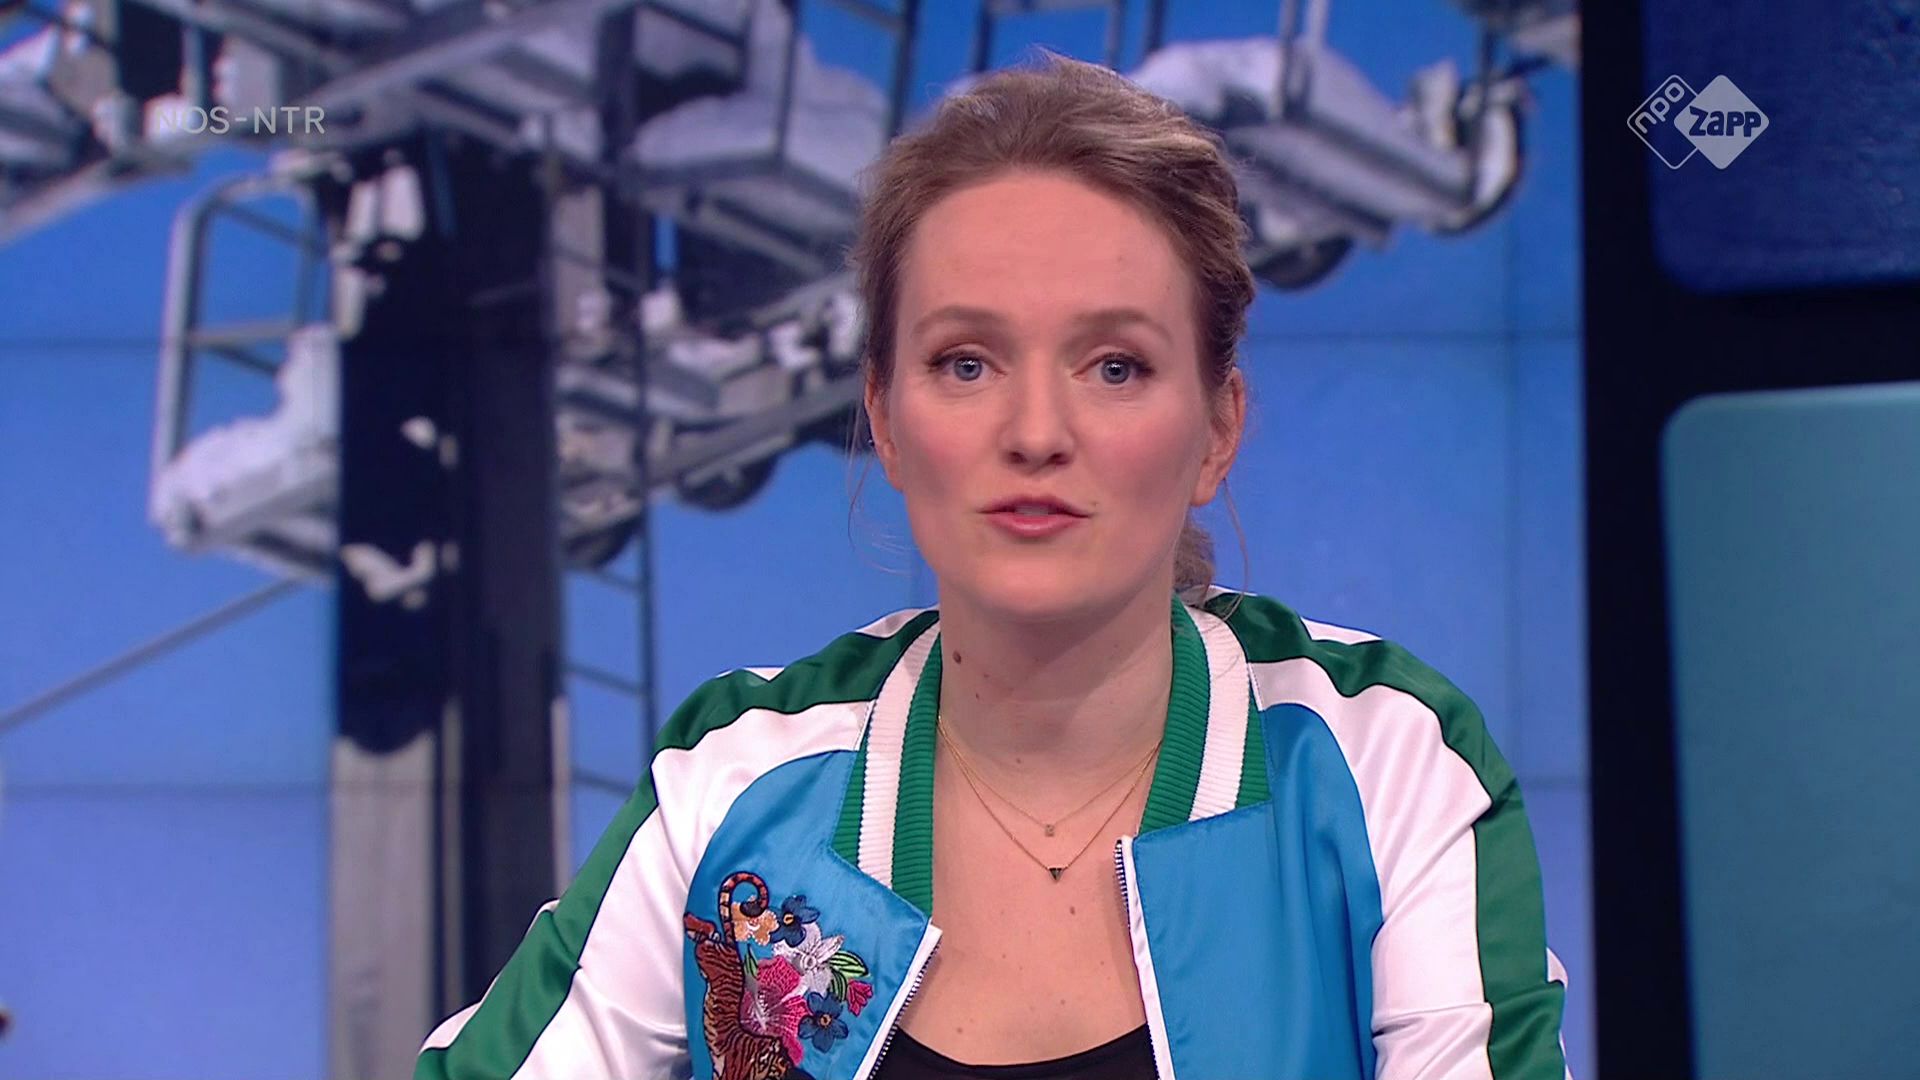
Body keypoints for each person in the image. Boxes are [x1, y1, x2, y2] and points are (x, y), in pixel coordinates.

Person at [416, 52, 1572, 1080]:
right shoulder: (739, 777)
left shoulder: (1377, 762)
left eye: (1114, 366)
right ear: (885, 418)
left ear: (1217, 428)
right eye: (966, 363)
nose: (1035, 432)